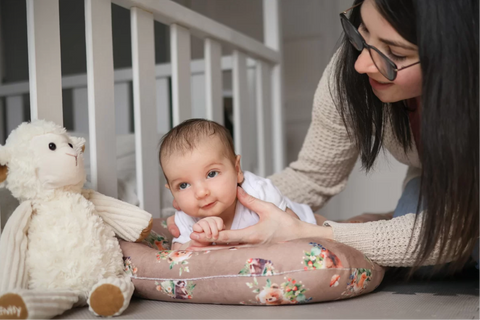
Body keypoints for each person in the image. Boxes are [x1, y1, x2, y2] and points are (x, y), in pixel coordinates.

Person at [167, 0, 480, 272]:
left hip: (465, 199)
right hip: (433, 182)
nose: (361, 63)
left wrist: (308, 232)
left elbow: (452, 233)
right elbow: (315, 175)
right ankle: (387, 222)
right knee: (425, 268)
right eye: (362, 32)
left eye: (394, 54)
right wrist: (232, 203)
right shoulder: (349, 71)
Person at [159, 119, 317, 250]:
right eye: (184, 185)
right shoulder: (186, 216)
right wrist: (197, 242)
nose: (200, 193)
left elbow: (292, 226)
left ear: (237, 170)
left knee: (319, 224)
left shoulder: (258, 191)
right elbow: (176, 255)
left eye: (211, 174)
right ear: (172, 192)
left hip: (307, 220)